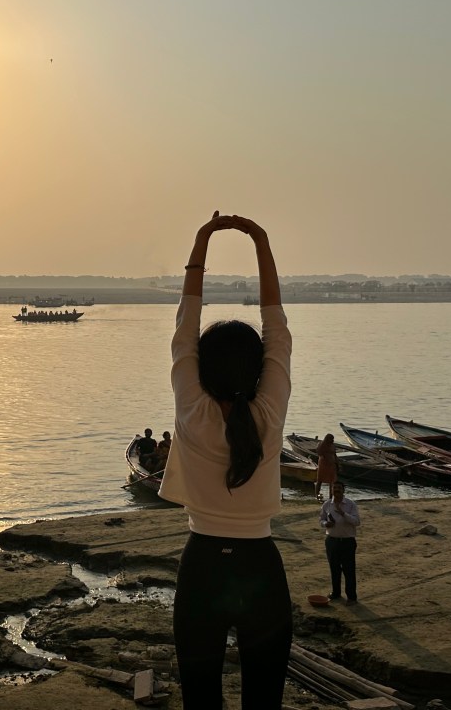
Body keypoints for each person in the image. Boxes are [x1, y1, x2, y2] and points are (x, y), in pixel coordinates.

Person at [159, 211, 292, 710]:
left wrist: (202, 240)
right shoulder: (270, 410)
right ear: (258, 369)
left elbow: (185, 325)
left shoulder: (192, 408)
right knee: (264, 702)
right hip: (261, 567)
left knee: (200, 701)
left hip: (203, 568)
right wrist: (260, 241)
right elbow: (276, 325)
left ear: (202, 365)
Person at [320, 482, 361, 604]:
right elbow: (321, 519)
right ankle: (336, 593)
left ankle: (351, 597)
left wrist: (343, 513)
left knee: (349, 570)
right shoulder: (327, 504)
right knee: (334, 568)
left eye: (339, 488)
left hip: (347, 541)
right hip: (332, 541)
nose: (336, 490)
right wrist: (325, 524)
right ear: (332, 490)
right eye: (334, 488)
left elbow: (357, 522)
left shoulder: (350, 504)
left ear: (343, 490)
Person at [314, 433, 339, 502]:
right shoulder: (322, 444)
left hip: (332, 465)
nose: (332, 440)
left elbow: (335, 454)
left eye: (333, 439)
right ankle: (317, 495)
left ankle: (331, 497)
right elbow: (319, 453)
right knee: (320, 480)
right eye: (331, 439)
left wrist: (337, 464)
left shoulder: (332, 445)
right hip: (324, 465)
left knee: (332, 481)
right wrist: (326, 457)